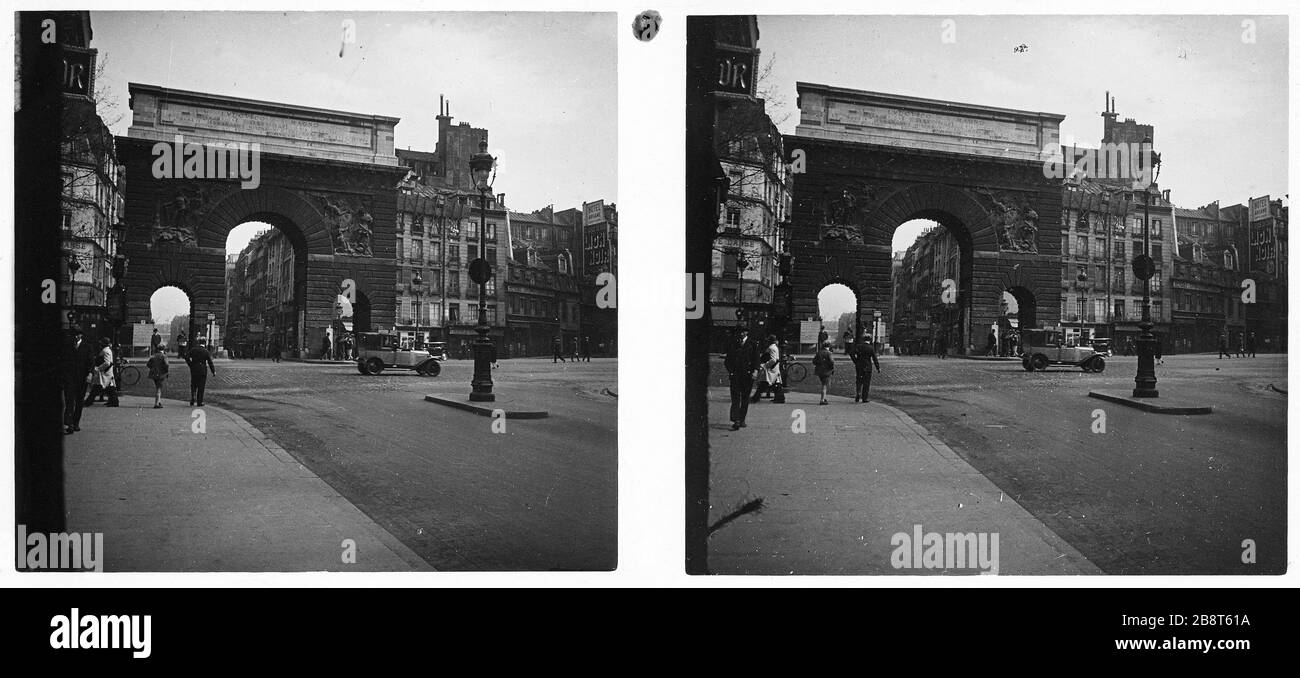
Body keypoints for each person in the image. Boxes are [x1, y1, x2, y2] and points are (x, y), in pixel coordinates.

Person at [63, 328, 97, 434]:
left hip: (82, 378)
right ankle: (70, 424)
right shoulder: (67, 346)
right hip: (69, 378)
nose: (75, 336)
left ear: (81, 335)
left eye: (77, 334)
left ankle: (76, 422)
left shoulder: (87, 347)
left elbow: (91, 362)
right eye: (73, 334)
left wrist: (90, 374)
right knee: (69, 401)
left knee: (79, 401)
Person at [724, 328, 758, 430]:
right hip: (736, 375)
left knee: (745, 398)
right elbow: (727, 360)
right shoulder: (733, 344)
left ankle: (742, 419)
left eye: (743, 331)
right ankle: (736, 420)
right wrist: (731, 371)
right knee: (735, 398)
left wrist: (755, 371)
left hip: (747, 375)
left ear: (747, 332)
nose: (741, 333)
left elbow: (756, 359)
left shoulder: (752, 344)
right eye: (739, 332)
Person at [83, 337, 118, 408]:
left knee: (96, 388)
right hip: (107, 373)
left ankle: (88, 402)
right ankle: (114, 401)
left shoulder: (105, 351)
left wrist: (98, 368)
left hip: (104, 373)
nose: (100, 344)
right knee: (110, 388)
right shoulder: (108, 350)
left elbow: (107, 363)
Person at [750, 334, 785, 404]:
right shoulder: (774, 347)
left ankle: (755, 398)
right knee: (775, 384)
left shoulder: (772, 348)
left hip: (770, 369)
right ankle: (780, 397)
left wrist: (765, 366)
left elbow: (773, 360)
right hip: (773, 369)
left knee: (764, 383)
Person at [850, 333, 882, 403]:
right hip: (867, 367)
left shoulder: (859, 346)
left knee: (859, 380)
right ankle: (864, 398)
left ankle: (858, 392)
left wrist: (856, 361)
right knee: (866, 383)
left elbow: (851, 353)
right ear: (870, 340)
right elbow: (874, 359)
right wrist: (878, 368)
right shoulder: (871, 348)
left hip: (859, 366)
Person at [186, 338, 217, 407]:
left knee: (193, 384)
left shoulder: (193, 350)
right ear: (205, 343)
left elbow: (186, 356)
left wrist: (190, 364)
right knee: (201, 386)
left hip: (194, 369)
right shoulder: (206, 351)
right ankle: (199, 401)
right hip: (202, 370)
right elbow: (210, 362)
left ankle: (193, 397)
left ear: (198, 343)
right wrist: (213, 371)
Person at [813, 340, 835, 406]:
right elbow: (832, 362)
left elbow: (814, 361)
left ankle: (824, 398)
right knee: (824, 386)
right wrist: (831, 368)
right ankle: (822, 400)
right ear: (828, 346)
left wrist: (819, 364)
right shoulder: (829, 353)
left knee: (823, 384)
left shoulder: (819, 352)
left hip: (819, 371)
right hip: (826, 371)